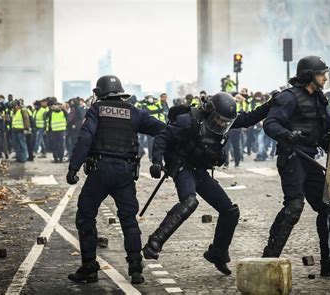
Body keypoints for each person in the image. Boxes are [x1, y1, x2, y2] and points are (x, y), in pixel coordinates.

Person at [143, 92, 271, 275]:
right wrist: (156, 162)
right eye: (218, 119)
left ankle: (217, 253)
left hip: (200, 171)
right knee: (189, 202)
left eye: (225, 122)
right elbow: (163, 137)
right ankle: (155, 242)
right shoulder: (188, 121)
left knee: (230, 211)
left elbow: (251, 117)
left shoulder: (226, 121)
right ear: (209, 112)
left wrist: (271, 104)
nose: (221, 124)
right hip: (183, 168)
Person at [261, 56, 330, 276]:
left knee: (328, 208)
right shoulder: (289, 97)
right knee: (294, 207)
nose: (324, 77)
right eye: (321, 73)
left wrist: (329, 138)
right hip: (292, 157)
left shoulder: (319, 99)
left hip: (310, 158)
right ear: (309, 75)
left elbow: (322, 129)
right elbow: (270, 123)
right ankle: (267, 260)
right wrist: (288, 135)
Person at [66, 75, 165, 284]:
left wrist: (73, 168)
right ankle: (136, 270)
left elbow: (85, 139)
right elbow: (161, 129)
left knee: (85, 215)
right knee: (129, 220)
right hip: (125, 174)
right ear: (120, 92)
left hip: (100, 172)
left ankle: (89, 268)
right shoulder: (133, 112)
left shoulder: (96, 110)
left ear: (99, 93)